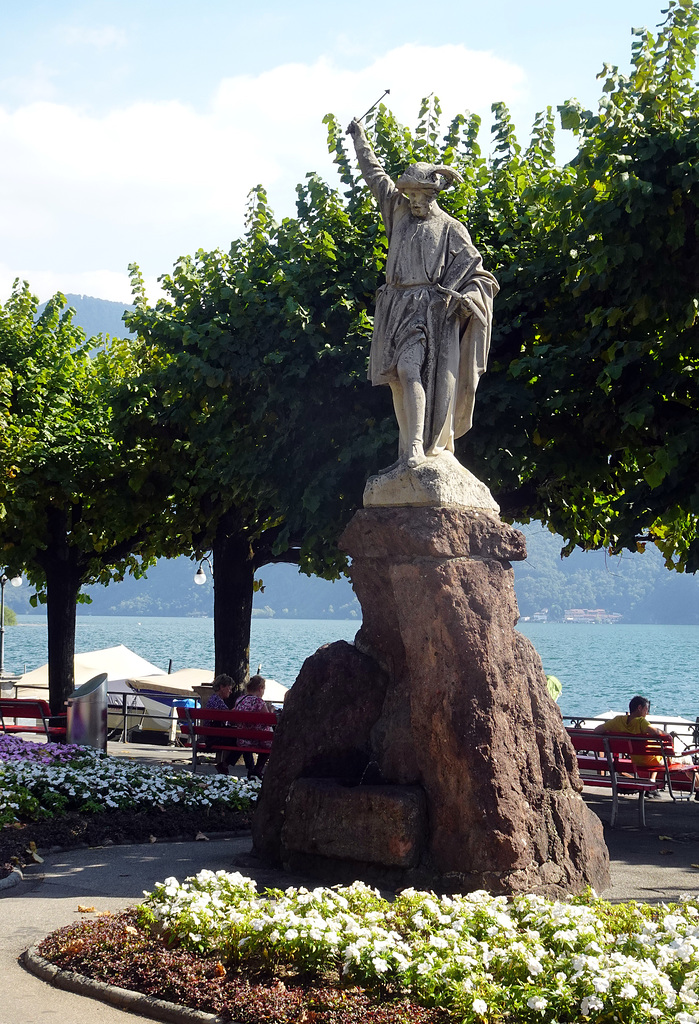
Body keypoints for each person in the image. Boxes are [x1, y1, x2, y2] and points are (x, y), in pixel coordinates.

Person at [346, 118, 499, 470]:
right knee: (397, 379)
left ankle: (416, 447)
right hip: (392, 306)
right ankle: (406, 452)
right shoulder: (398, 212)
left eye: (418, 195)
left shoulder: (449, 228)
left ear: (432, 194)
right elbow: (375, 176)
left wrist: (469, 299)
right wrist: (360, 140)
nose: (412, 201)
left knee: (408, 368)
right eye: (409, 194)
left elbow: (479, 274)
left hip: (426, 309)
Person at [234, 674, 272, 779]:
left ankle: (253, 770)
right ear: (260, 688)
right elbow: (269, 721)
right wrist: (271, 710)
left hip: (242, 739)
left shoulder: (240, 700)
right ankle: (257, 769)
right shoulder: (259, 702)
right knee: (272, 742)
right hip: (256, 740)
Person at [205, 674, 234, 774]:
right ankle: (225, 764)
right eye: (229, 688)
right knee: (242, 742)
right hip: (216, 737)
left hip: (210, 735)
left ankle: (224, 765)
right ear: (222, 687)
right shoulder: (219, 702)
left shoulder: (212, 699)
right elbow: (229, 718)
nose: (231, 691)